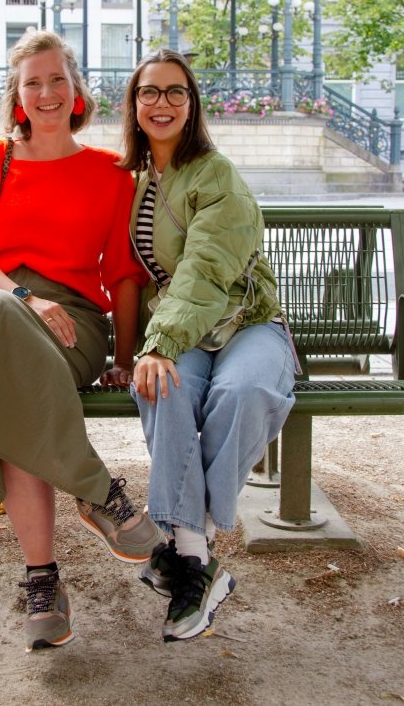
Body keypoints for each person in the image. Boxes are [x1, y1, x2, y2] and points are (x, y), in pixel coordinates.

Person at [0, 30, 164, 652]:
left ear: (77, 90)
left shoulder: (110, 173)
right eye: (32, 82)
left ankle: (42, 582)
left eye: (57, 78)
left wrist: (122, 356)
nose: (46, 92)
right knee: (0, 327)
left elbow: (120, 271)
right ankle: (98, 493)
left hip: (73, 327)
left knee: (12, 387)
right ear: (16, 95)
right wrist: (20, 297)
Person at [120, 49, 300, 643]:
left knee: (243, 390)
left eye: (176, 92)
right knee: (163, 389)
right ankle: (199, 563)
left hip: (246, 321)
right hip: (181, 326)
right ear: (134, 104)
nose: (163, 103)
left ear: (192, 104)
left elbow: (203, 267)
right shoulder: (137, 178)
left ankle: (185, 542)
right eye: (150, 92)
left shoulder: (215, 173)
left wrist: (160, 342)